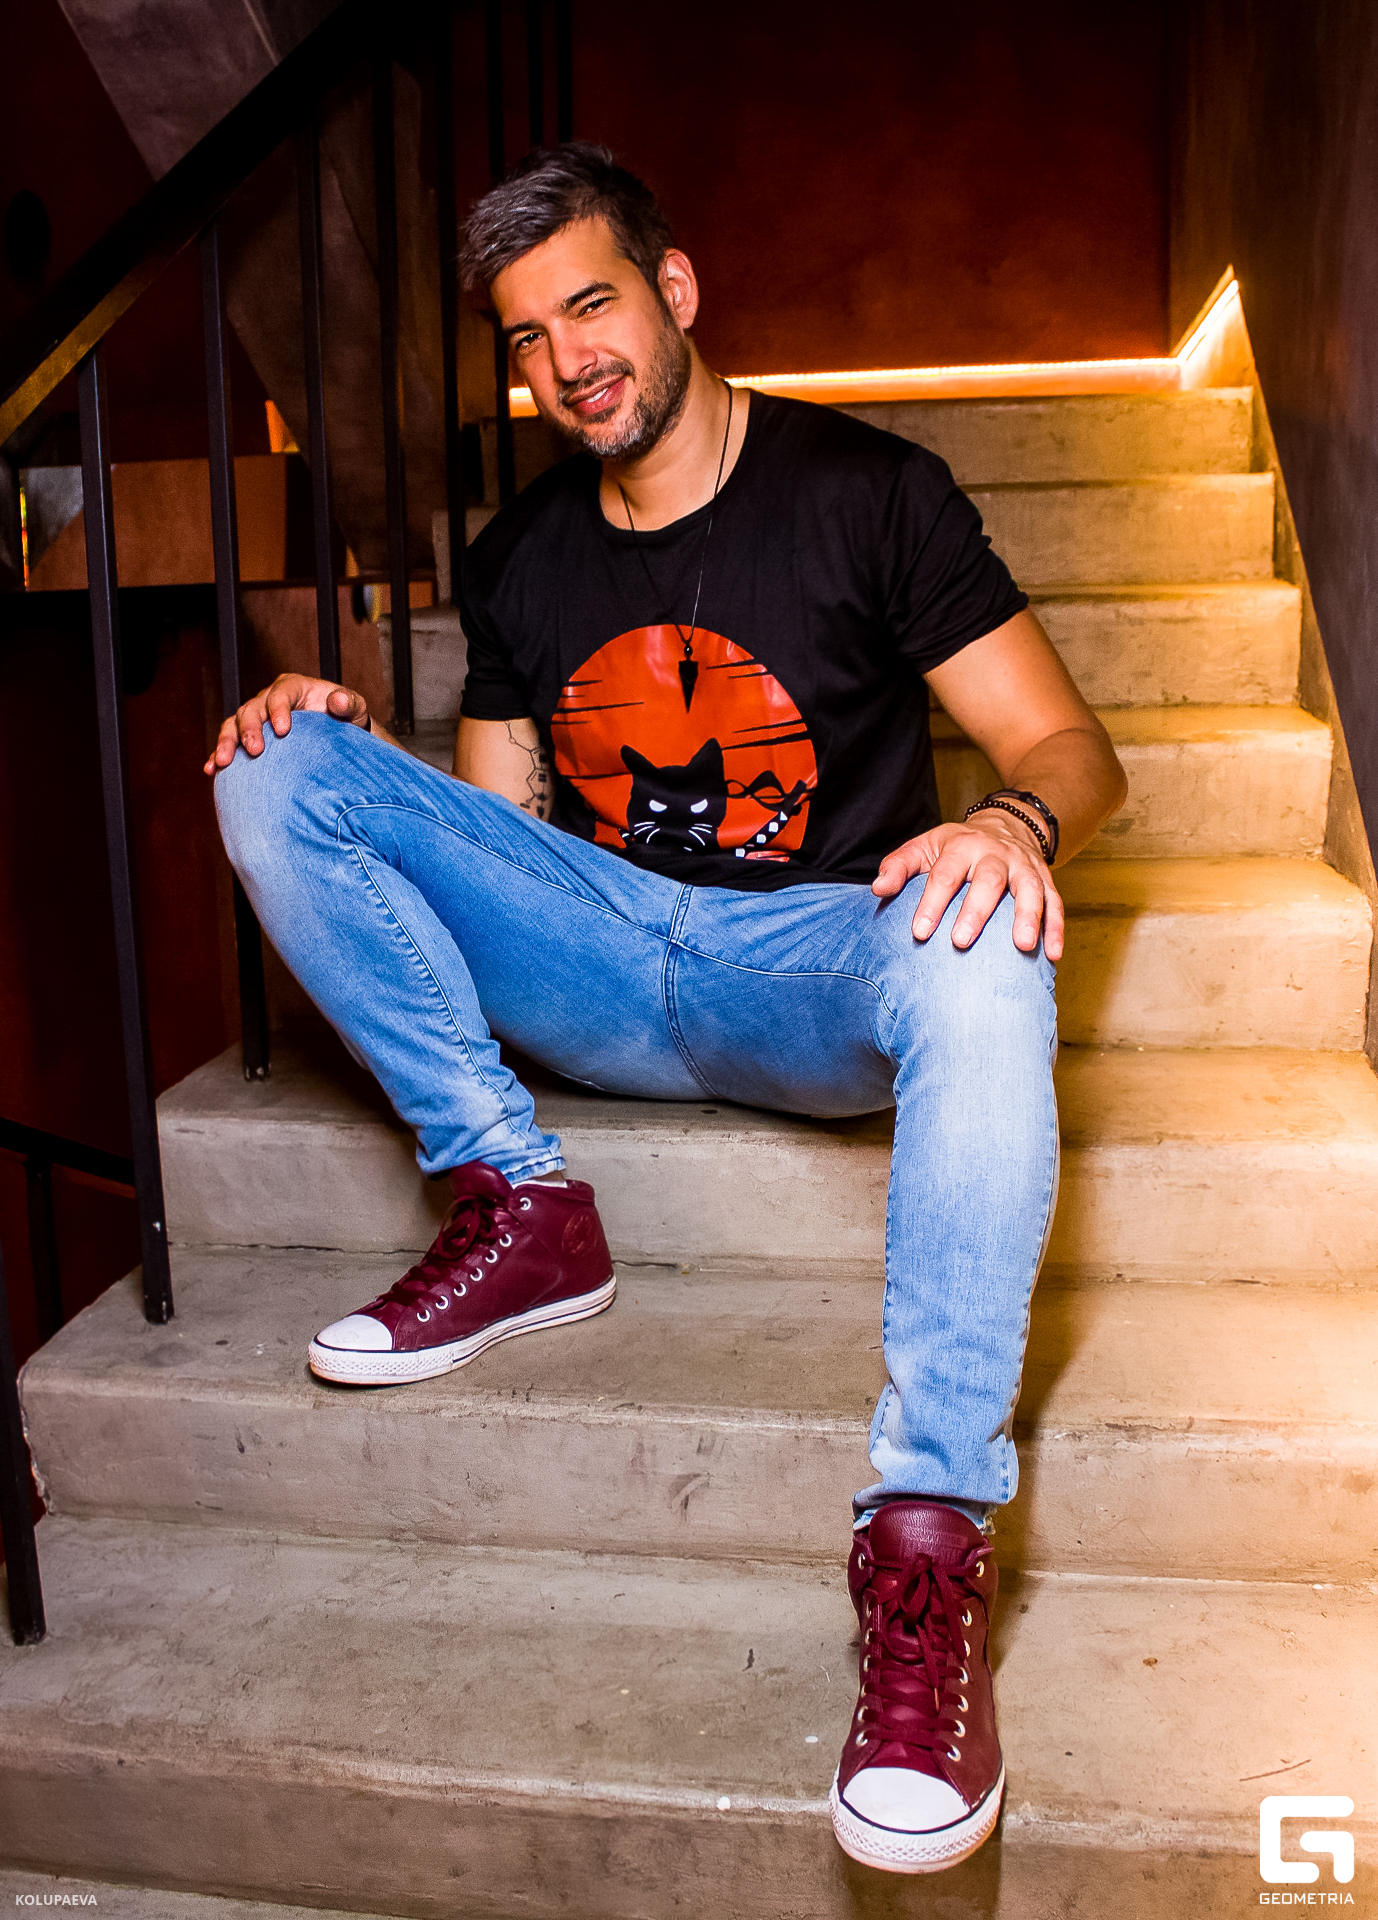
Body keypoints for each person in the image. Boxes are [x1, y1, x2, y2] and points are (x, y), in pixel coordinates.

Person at [207, 143, 1126, 1876]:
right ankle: (521, 1205)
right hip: (605, 957)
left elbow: (1072, 747)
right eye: (528, 334)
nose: (569, 359)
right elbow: (498, 844)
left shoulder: (869, 493)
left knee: (986, 941)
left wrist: (1010, 823)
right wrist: (350, 765)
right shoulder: (521, 558)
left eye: (594, 304)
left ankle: (927, 1532)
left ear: (674, 290)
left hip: (811, 961)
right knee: (274, 763)